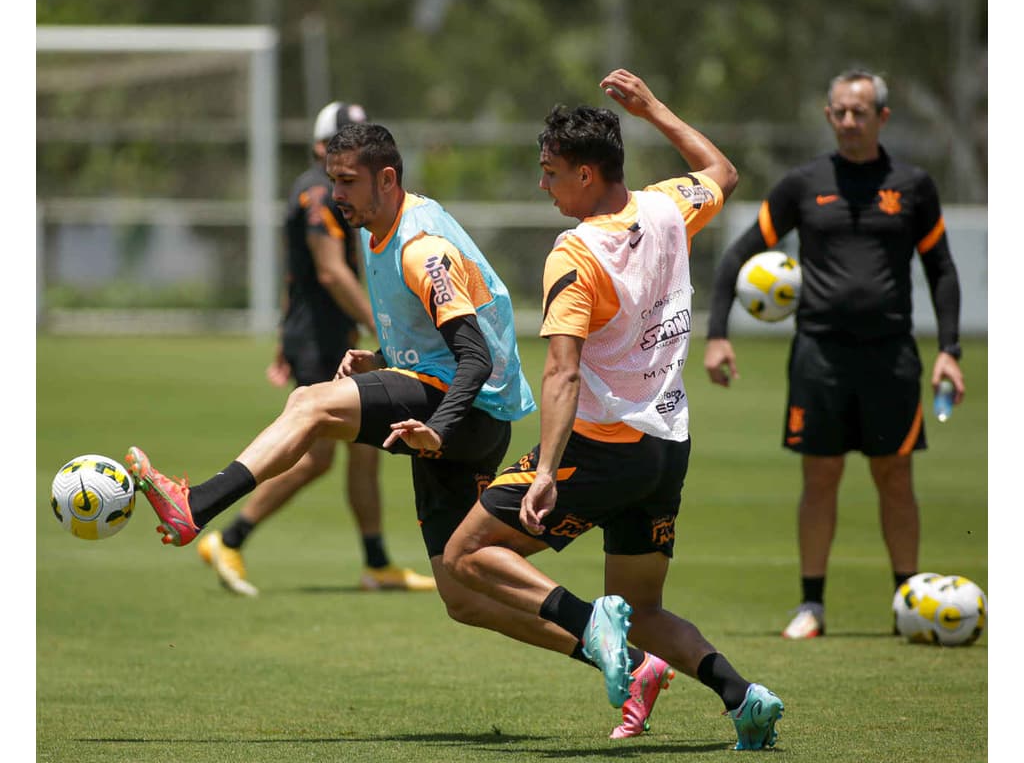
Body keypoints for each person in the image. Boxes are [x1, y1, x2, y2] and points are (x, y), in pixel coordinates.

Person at [125, 120, 667, 738]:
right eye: (332, 181)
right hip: (455, 409)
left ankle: (194, 506)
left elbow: (476, 356)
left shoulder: (420, 246)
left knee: (309, 404)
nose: (337, 195)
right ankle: (625, 658)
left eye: (348, 182)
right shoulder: (378, 225)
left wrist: (438, 427)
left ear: (387, 179)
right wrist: (383, 361)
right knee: (462, 594)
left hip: (467, 410)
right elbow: (436, 340)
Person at [423, 69, 783, 750]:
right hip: (665, 447)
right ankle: (745, 697)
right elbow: (723, 171)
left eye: (550, 172)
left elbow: (561, 373)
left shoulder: (576, 255)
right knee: (643, 608)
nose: (543, 184)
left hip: (600, 444)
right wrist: (652, 109)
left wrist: (545, 470)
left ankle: (589, 625)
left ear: (587, 176)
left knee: (465, 555)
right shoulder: (668, 207)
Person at [702, 69, 964, 640]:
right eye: (840, 111)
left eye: (860, 112)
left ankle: (908, 602)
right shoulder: (803, 185)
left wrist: (949, 350)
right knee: (820, 476)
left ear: (882, 118)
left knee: (895, 476)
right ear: (828, 115)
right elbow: (738, 256)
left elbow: (941, 270)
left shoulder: (912, 185)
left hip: (891, 356)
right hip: (818, 356)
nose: (849, 121)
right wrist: (718, 333)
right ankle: (812, 606)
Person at [197, 101, 435, 596]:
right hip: (323, 337)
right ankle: (231, 536)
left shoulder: (329, 188)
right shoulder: (318, 192)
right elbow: (329, 270)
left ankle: (376, 562)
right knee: (319, 453)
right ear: (321, 147)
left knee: (365, 449)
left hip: (326, 334)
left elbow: (298, 273)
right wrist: (385, 329)